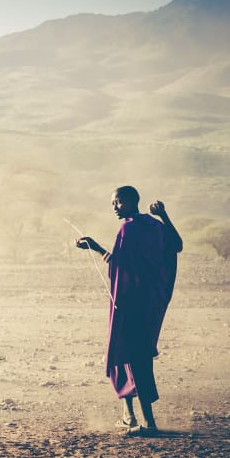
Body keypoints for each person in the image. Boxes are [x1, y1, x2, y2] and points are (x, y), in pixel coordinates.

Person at [75, 186, 180, 436]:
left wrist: (96, 247)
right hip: (148, 304)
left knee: (131, 357)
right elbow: (177, 246)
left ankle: (149, 425)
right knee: (130, 356)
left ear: (132, 201)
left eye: (118, 202)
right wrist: (164, 216)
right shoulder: (154, 226)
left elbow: (120, 266)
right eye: (113, 203)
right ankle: (130, 418)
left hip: (130, 304)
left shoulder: (128, 229)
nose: (114, 207)